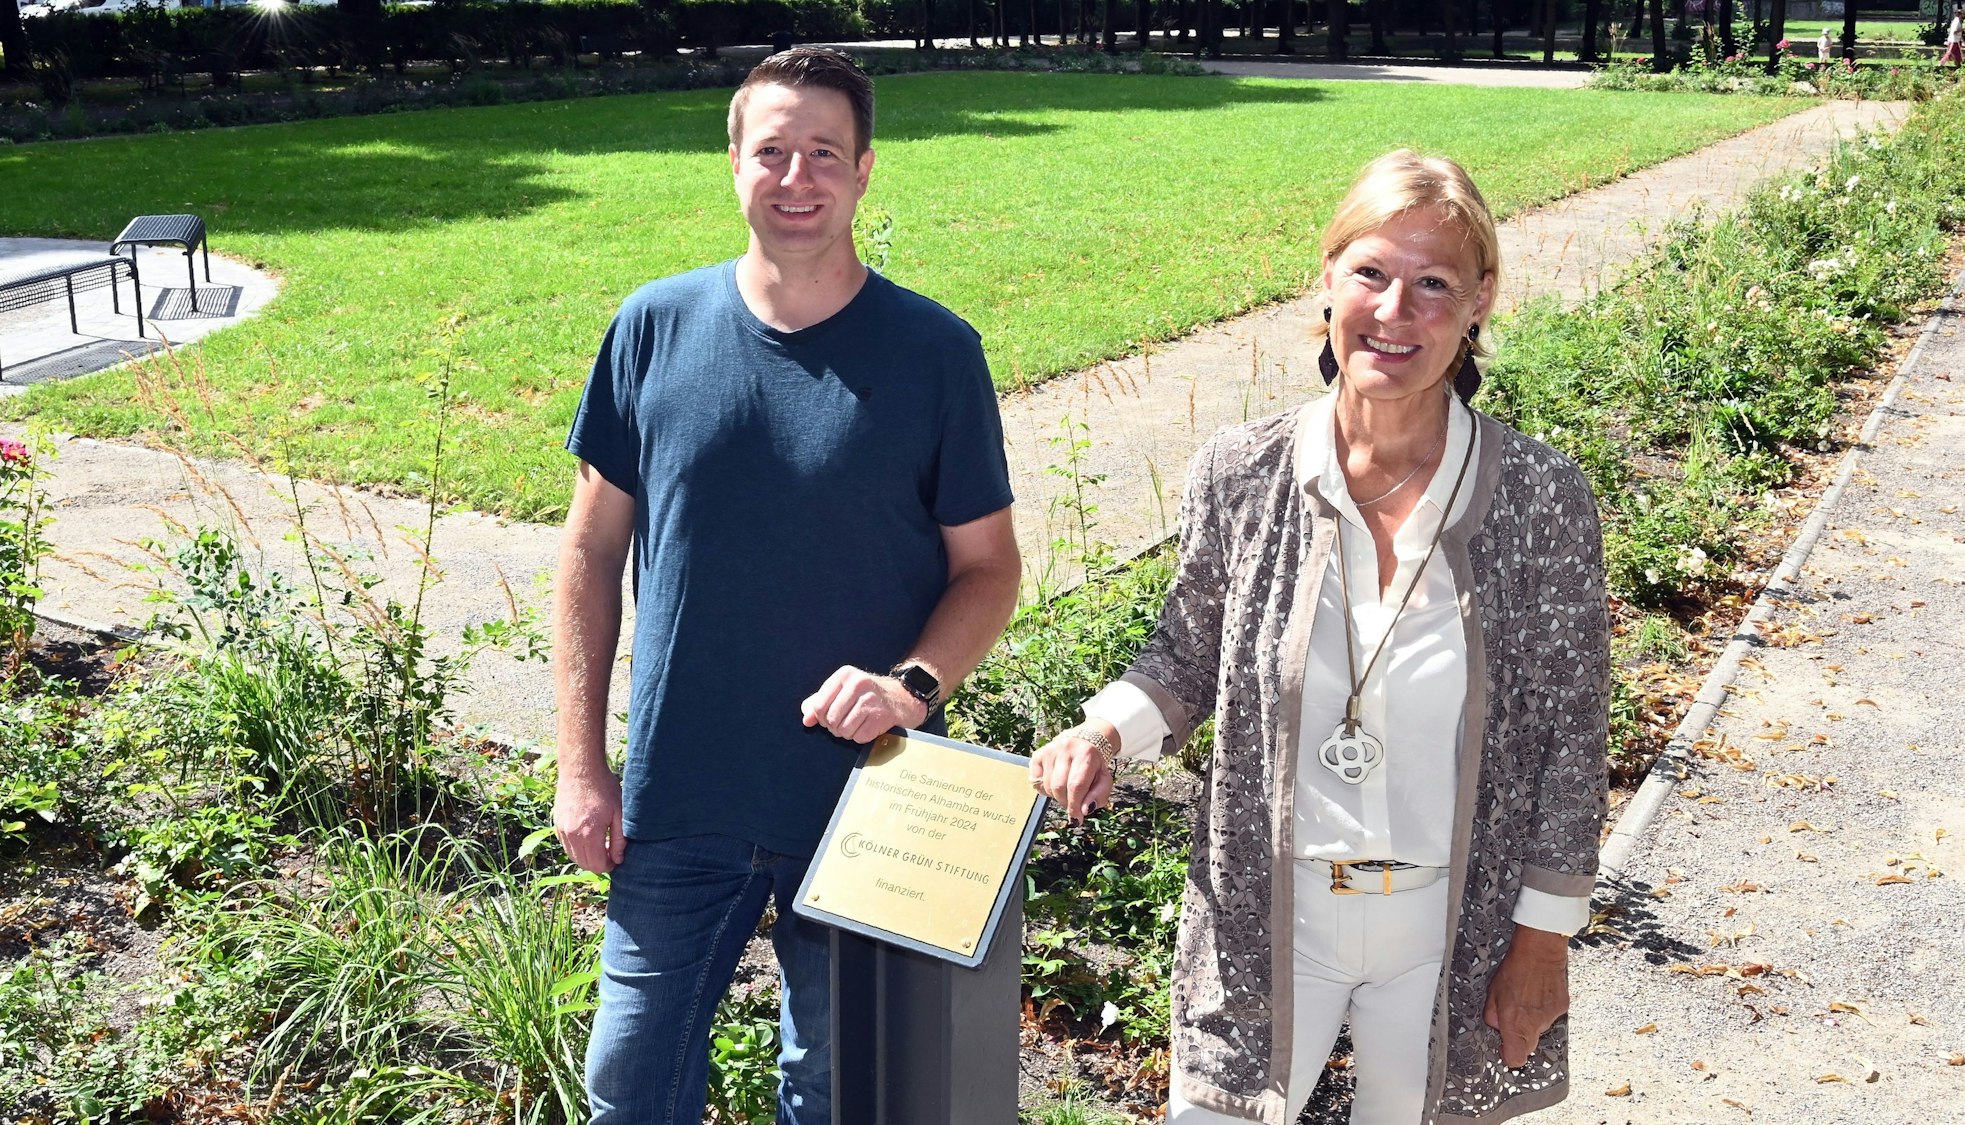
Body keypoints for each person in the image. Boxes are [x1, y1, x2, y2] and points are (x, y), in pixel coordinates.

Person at [1031, 150, 1610, 1125]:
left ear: (1479, 302)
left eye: (1433, 285)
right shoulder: (1243, 471)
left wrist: (1541, 941)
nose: (1395, 312)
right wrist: (1100, 734)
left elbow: (1569, 736)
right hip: (1268, 917)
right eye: (1372, 274)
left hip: (1446, 925)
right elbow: (1183, 652)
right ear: (1327, 281)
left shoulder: (1539, 498)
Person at [553, 47, 1022, 1125]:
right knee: (629, 1090)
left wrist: (911, 681)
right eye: (771, 152)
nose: (795, 178)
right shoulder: (652, 328)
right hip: (678, 797)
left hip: (866, 802)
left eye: (822, 153)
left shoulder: (934, 353)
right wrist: (583, 767)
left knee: (838, 1096)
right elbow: (588, 554)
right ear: (732, 164)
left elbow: (987, 569)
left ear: (863, 173)